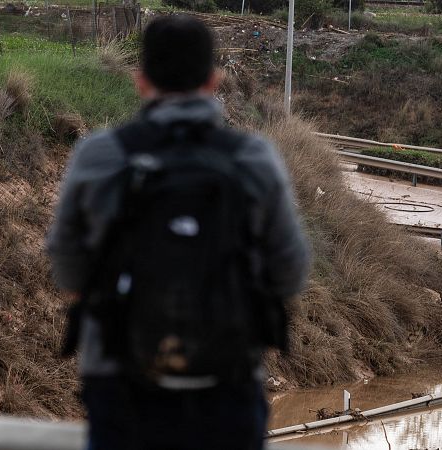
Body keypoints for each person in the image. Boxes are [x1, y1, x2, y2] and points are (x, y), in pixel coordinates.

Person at [46, 15, 310, 450]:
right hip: (227, 384)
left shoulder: (99, 156)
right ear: (214, 80)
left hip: (121, 383)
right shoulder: (253, 158)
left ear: (140, 80)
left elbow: (67, 262)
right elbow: (292, 271)